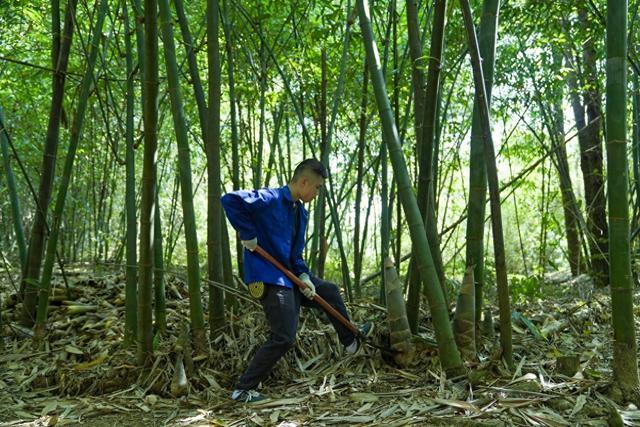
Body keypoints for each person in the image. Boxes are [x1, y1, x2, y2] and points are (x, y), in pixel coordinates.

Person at [221, 158, 372, 404]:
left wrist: (304, 277)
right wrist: (248, 235)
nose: (317, 192)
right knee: (284, 336)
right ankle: (243, 389)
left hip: (290, 277)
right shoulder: (270, 198)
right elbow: (230, 200)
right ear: (304, 182)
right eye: (317, 187)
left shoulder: (300, 213)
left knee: (329, 291)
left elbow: (295, 255)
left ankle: (350, 341)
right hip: (268, 277)